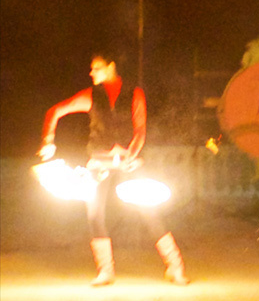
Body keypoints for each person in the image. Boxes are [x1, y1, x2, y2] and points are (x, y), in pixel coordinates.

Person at [38, 54, 189, 285]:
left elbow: (140, 129)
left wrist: (132, 154)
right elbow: (54, 111)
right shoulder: (90, 95)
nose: (91, 73)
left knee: (149, 211)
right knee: (95, 213)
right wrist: (47, 142)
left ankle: (175, 267)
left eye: (96, 68)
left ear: (111, 67)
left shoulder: (134, 93)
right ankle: (105, 271)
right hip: (99, 161)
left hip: (129, 161)